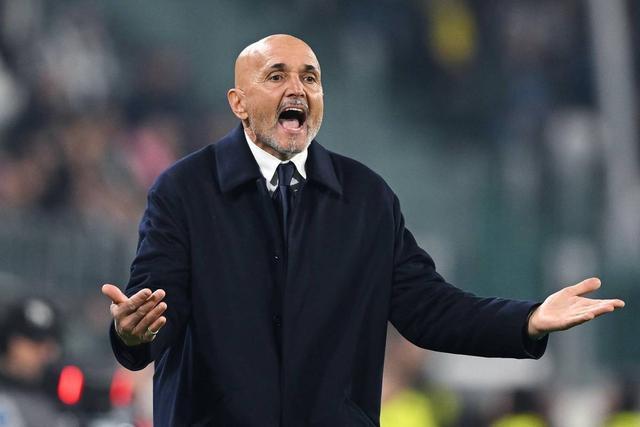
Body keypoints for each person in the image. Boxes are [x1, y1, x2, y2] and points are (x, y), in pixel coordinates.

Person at [101, 34, 625, 427]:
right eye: (277, 76)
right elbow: (155, 306)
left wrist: (527, 319)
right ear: (238, 102)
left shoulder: (366, 198)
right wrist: (132, 334)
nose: (297, 88)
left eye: (310, 78)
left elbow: (429, 308)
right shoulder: (185, 190)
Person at [0, 297, 67, 426]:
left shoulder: (59, 395)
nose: (43, 353)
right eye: (35, 343)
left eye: (49, 345)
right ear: (10, 342)